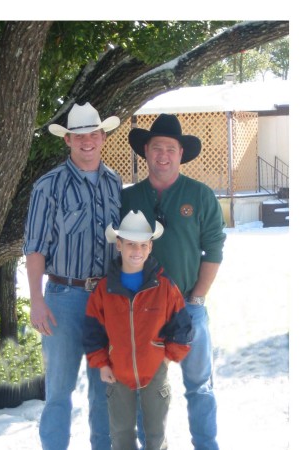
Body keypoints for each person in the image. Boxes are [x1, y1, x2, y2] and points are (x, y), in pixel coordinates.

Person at [121, 114, 227, 450]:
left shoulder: (199, 195)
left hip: (188, 309)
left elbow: (214, 248)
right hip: (144, 311)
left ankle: (206, 445)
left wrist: (196, 298)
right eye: (156, 148)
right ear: (146, 152)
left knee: (200, 387)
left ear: (181, 153)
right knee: (147, 389)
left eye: (170, 148)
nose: (162, 155)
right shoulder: (129, 198)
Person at [23, 102, 122, 450]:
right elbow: (34, 248)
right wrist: (36, 300)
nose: (86, 142)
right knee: (59, 392)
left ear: (102, 136)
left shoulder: (114, 183)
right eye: (78, 136)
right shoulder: (48, 186)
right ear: (67, 140)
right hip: (63, 300)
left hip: (108, 301)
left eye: (92, 134)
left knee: (104, 390)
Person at [83, 210, 192, 450]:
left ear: (150, 247)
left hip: (155, 369)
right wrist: (101, 363)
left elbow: (181, 324)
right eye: (131, 244)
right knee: (121, 435)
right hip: (117, 371)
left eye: (143, 245)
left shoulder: (164, 286)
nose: (137, 251)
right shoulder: (104, 289)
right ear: (119, 245)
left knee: (156, 435)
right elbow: (93, 331)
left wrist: (168, 357)